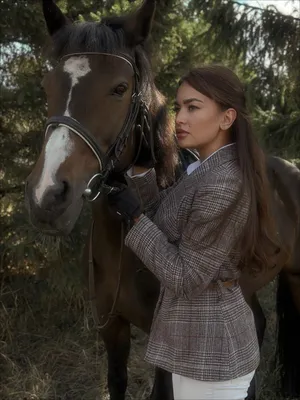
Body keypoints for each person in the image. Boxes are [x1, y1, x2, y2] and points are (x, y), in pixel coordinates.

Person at [107, 65, 280, 400]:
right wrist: (138, 181)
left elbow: (186, 276)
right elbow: (171, 220)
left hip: (212, 352)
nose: (179, 118)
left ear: (227, 118)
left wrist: (133, 217)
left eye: (193, 107)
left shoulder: (223, 184)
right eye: (178, 107)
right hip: (199, 343)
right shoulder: (204, 168)